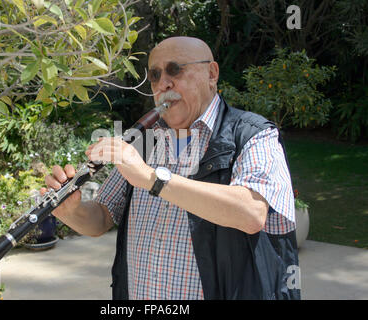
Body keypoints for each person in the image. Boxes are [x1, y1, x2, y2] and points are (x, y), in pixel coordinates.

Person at [42, 36, 301, 300]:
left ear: (211, 74)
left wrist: (151, 179)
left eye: (175, 70)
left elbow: (251, 213)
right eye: (155, 75)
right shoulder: (144, 140)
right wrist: (71, 209)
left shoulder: (253, 135)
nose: (163, 83)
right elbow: (100, 219)